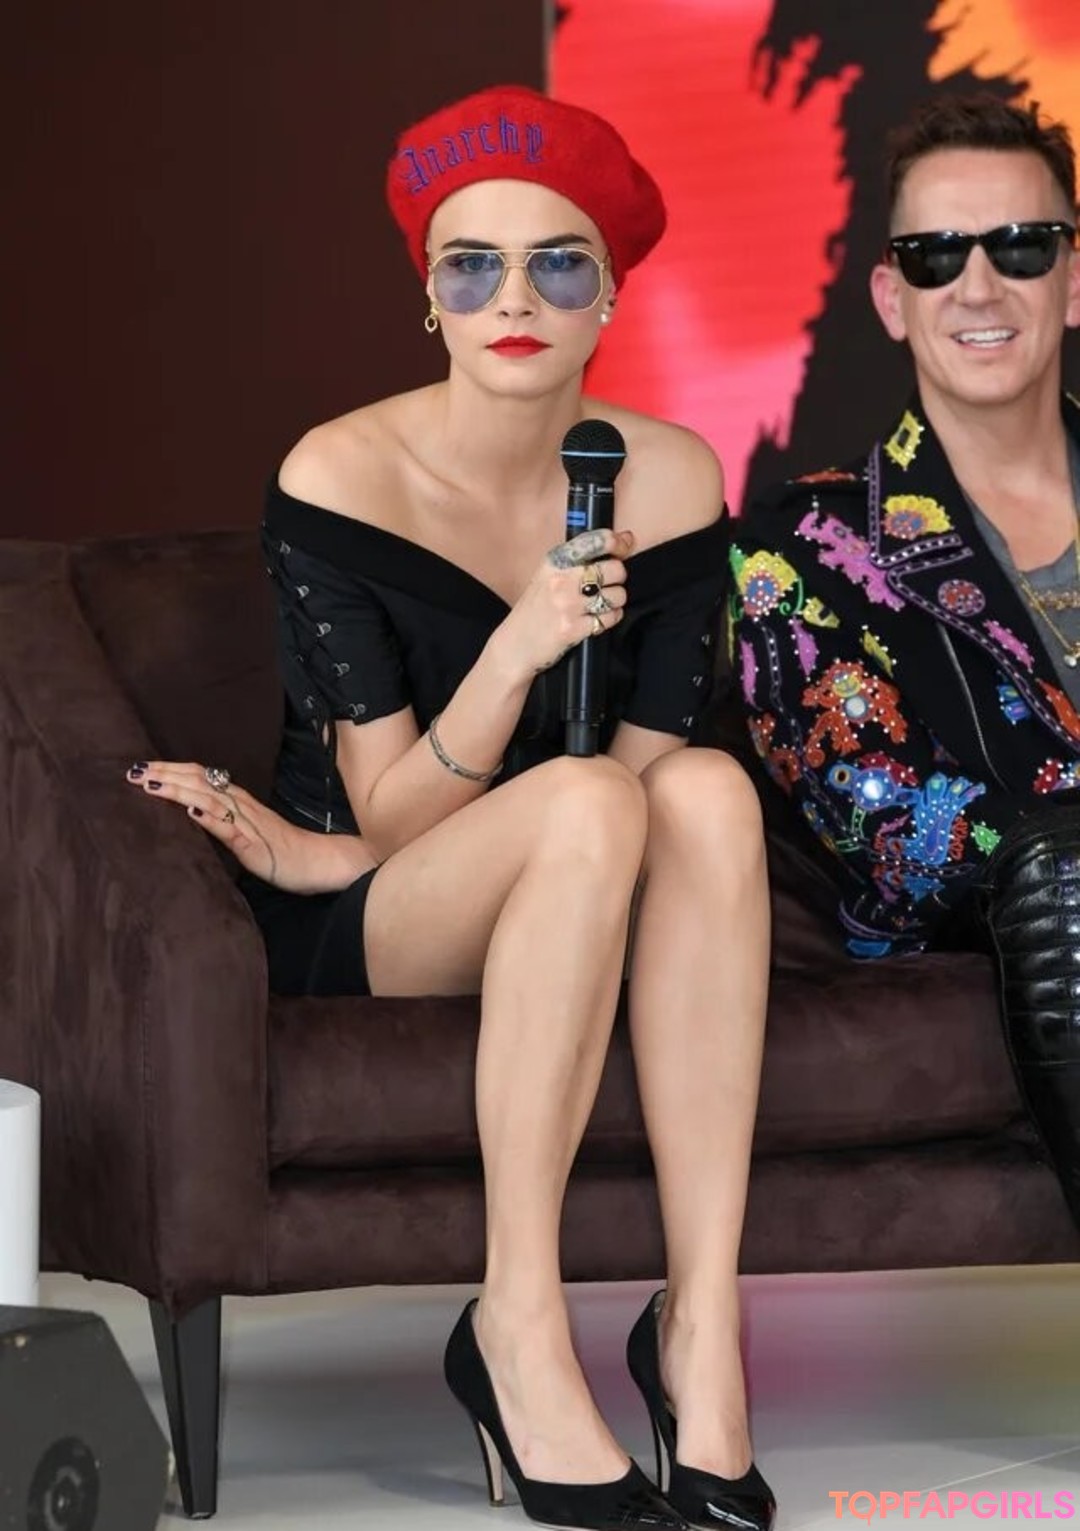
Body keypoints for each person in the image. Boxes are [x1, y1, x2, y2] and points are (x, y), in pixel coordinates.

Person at [126, 83, 775, 1531]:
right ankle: (517, 1324)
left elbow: (657, 779)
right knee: (589, 802)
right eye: (470, 266)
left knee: (707, 789)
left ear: (613, 291)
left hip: (575, 876)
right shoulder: (340, 472)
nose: (513, 301)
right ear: (428, 295)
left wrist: (378, 843)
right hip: (387, 897)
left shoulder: (671, 474)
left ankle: (702, 1327)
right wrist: (520, 645)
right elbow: (401, 819)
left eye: (557, 264)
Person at [730, 94, 1080, 1231]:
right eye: (937, 256)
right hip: (1019, 907)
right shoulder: (805, 545)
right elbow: (878, 813)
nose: (978, 287)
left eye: (1020, 247)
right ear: (892, 298)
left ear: (1073, 279)